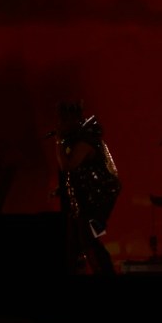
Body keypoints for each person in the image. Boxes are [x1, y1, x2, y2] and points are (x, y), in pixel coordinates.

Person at [53, 100, 121, 275]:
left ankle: (105, 271)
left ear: (72, 120)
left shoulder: (86, 141)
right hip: (86, 199)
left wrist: (59, 142)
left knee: (89, 238)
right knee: (76, 240)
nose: (58, 124)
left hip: (97, 201)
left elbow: (68, 166)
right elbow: (78, 172)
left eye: (62, 120)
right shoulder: (80, 138)